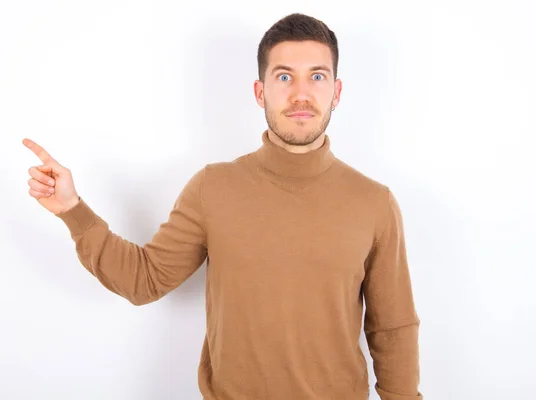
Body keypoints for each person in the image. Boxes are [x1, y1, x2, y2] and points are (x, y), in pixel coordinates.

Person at [23, 13, 423, 400]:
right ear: (260, 91)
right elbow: (143, 280)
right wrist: (73, 209)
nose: (301, 93)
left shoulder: (374, 202)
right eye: (284, 76)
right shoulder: (213, 188)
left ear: (335, 91)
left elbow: (393, 328)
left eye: (317, 76)